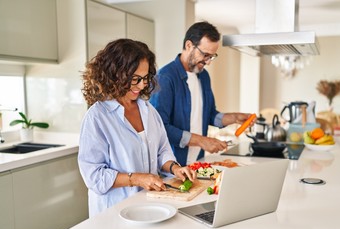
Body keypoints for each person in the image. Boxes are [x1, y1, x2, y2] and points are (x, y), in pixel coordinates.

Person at [78, 38, 196, 217]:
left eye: (145, 78)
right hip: (113, 212)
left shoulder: (148, 110)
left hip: (148, 206)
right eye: (136, 79)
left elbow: (162, 150)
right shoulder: (97, 117)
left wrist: (175, 168)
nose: (142, 85)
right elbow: (94, 176)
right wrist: (137, 178)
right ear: (116, 74)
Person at [150, 21, 255, 166]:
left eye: (211, 56)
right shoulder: (165, 78)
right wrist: (202, 140)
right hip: (171, 166)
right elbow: (159, 127)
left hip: (197, 162)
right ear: (188, 45)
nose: (208, 62)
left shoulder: (203, 76)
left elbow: (210, 115)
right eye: (205, 55)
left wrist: (236, 118)